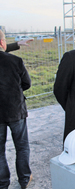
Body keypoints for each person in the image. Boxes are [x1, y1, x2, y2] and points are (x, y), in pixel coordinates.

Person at [0, 30, 32, 189]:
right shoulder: (16, 61)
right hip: (16, 111)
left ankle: (2, 183)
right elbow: (27, 83)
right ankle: (24, 179)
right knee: (22, 147)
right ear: (2, 42)